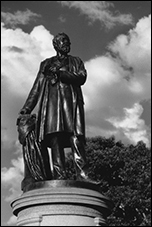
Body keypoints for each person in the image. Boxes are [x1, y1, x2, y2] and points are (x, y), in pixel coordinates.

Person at [18, 32, 92, 183]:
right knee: (55, 138)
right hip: (52, 105)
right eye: (63, 41)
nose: (67, 44)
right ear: (55, 44)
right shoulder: (46, 64)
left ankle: (83, 175)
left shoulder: (76, 61)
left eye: (68, 41)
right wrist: (27, 108)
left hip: (72, 103)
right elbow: (37, 88)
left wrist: (61, 74)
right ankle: (60, 176)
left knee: (76, 137)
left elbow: (81, 77)